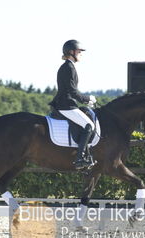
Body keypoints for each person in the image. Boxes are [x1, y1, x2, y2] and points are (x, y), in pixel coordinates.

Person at [49, 40, 97, 170]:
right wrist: (87, 99)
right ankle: (79, 158)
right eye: (79, 51)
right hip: (65, 105)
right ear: (71, 52)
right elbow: (72, 91)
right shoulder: (68, 67)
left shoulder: (69, 66)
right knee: (89, 125)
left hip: (68, 104)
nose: (81, 53)